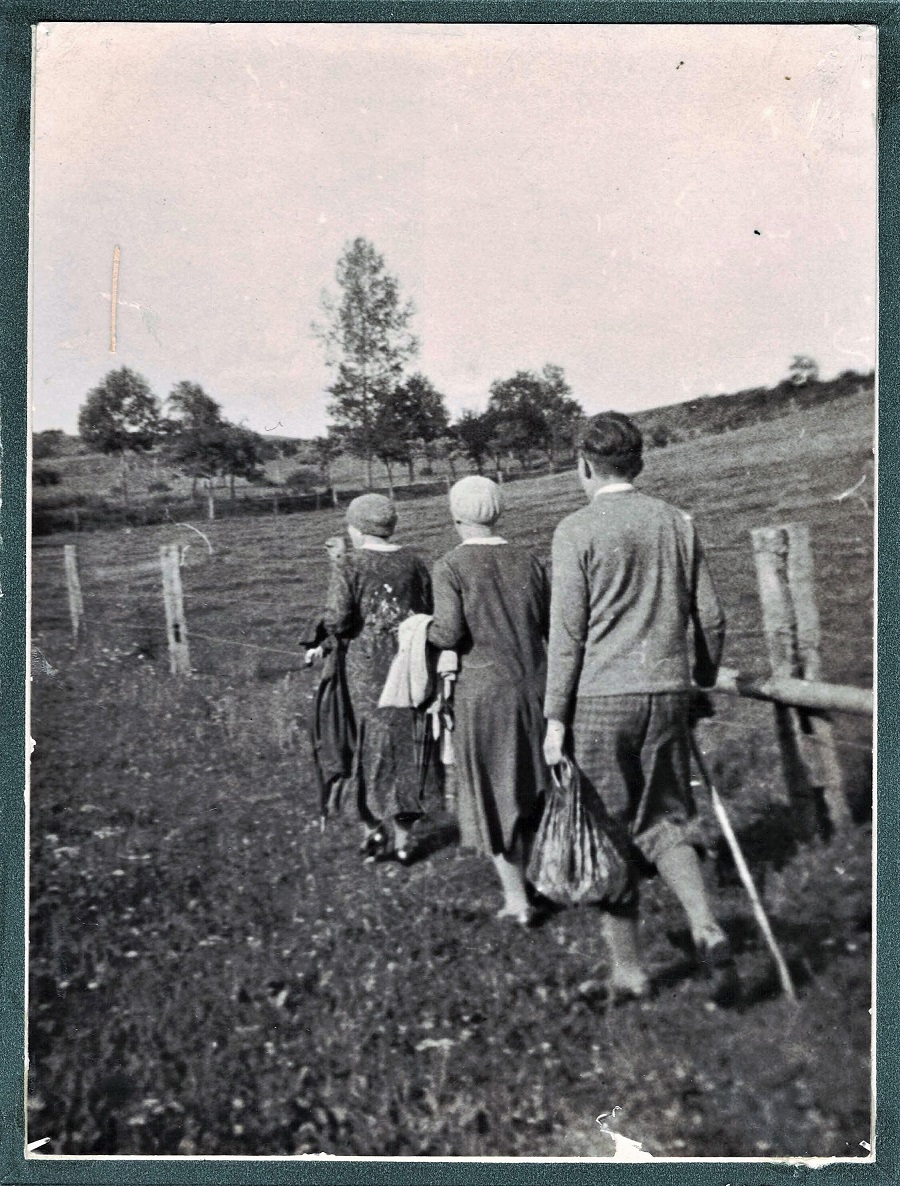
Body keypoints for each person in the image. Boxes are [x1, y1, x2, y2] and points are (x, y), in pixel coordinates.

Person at [542, 412, 738, 1004]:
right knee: (666, 818)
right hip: (668, 693)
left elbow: (567, 635)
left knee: (607, 831)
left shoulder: (575, 530)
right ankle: (705, 927)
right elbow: (713, 616)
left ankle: (629, 970)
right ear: (640, 463)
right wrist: (697, 680)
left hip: (600, 700)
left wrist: (554, 718)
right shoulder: (677, 521)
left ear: (583, 466)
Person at [428, 476, 549, 925]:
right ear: (499, 510)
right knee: (534, 784)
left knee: (496, 794)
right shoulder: (529, 560)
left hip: (484, 694)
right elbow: (548, 625)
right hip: (536, 685)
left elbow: (449, 633)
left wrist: (419, 628)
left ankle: (518, 900)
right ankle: (541, 875)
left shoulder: (450, 566)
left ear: (455, 514)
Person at [323, 493, 437, 862]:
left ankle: (372, 832)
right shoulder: (414, 562)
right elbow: (428, 610)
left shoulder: (350, 565)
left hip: (366, 667)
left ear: (357, 529)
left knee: (367, 745)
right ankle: (405, 839)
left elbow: (337, 619)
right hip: (408, 665)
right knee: (405, 747)